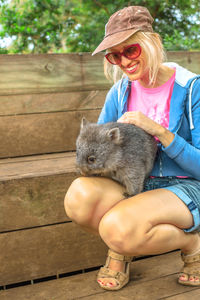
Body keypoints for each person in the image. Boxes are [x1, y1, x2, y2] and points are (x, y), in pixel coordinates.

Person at [64, 6, 200, 291]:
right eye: (114, 55)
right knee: (79, 196)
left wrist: (161, 132)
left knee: (117, 226)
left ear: (153, 42)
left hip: (185, 187)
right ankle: (122, 240)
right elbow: (98, 141)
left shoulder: (191, 89)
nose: (123, 62)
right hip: (136, 184)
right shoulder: (120, 92)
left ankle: (192, 243)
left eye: (131, 50)